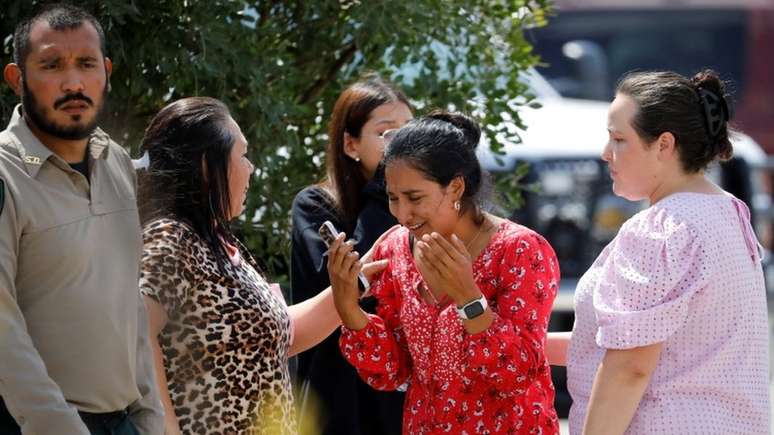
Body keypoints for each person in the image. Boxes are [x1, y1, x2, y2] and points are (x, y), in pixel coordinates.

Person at [137, 97, 387, 435]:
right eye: (242, 154)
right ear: (207, 166)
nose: (251, 167)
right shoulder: (170, 237)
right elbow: (137, 335)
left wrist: (353, 282)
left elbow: (280, 335)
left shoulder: (216, 242)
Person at [545, 70, 770, 434]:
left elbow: (629, 366)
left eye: (619, 139)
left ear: (664, 145)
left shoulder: (660, 228)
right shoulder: (730, 213)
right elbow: (660, 347)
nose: (606, 153)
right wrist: (517, 343)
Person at [327, 111, 561, 434]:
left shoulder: (520, 251)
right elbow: (392, 371)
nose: (402, 214)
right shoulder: (395, 248)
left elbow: (518, 374)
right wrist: (348, 309)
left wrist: (469, 298)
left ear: (455, 188)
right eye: (393, 199)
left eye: (415, 198)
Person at [0, 4, 163, 435]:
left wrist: (150, 418)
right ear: (17, 79)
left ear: (106, 72)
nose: (73, 83)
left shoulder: (118, 165)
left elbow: (129, 305)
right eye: (51, 65)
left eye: (86, 64)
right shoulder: (5, 173)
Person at [290, 74, 412, 435]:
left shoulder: (421, 207)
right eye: (387, 132)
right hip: (341, 391)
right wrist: (385, 189)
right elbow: (353, 281)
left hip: (402, 385)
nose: (400, 144)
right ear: (350, 143)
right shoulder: (315, 205)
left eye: (408, 131)